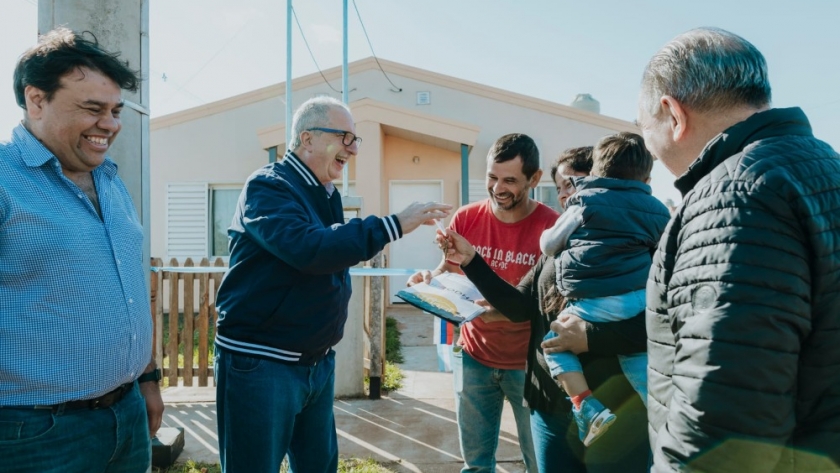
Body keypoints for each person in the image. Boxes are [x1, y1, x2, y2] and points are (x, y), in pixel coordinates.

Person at [637, 27, 840, 472]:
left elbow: (724, 416)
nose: (648, 147)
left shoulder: (731, 196)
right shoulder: (825, 166)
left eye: (644, 126)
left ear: (672, 113)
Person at [213, 95, 451, 473]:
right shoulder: (268, 187)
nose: (353, 149)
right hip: (262, 365)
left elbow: (332, 255)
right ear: (307, 139)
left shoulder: (325, 192)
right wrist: (391, 225)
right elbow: (311, 250)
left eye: (355, 140)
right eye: (345, 138)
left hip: (316, 363)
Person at [0, 28, 163, 472]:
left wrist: (147, 381)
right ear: (36, 100)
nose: (109, 124)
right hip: (33, 435)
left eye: (115, 110)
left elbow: (131, 287)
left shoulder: (110, 180)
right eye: (92, 109)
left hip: (126, 416)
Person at [437, 147, 650, 473]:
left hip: (616, 407)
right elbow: (520, 306)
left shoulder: (644, 243)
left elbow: (663, 326)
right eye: (561, 186)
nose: (566, 195)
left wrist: (591, 337)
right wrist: (471, 260)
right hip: (549, 404)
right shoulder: (557, 245)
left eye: (574, 184)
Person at [409, 133, 559, 473]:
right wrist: (428, 281)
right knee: (476, 465)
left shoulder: (550, 228)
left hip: (529, 365)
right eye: (492, 177)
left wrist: (504, 313)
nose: (497, 187)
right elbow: (449, 272)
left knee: (540, 463)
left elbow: (550, 303)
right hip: (474, 357)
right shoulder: (466, 218)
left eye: (510, 180)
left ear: (534, 179)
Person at [539, 132, 670, 446]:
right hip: (639, 300)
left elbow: (549, 244)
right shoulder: (657, 209)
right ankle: (668, 422)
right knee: (639, 361)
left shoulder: (583, 201)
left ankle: (586, 405)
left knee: (554, 343)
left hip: (595, 303)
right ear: (648, 178)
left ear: (595, 173)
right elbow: (664, 255)